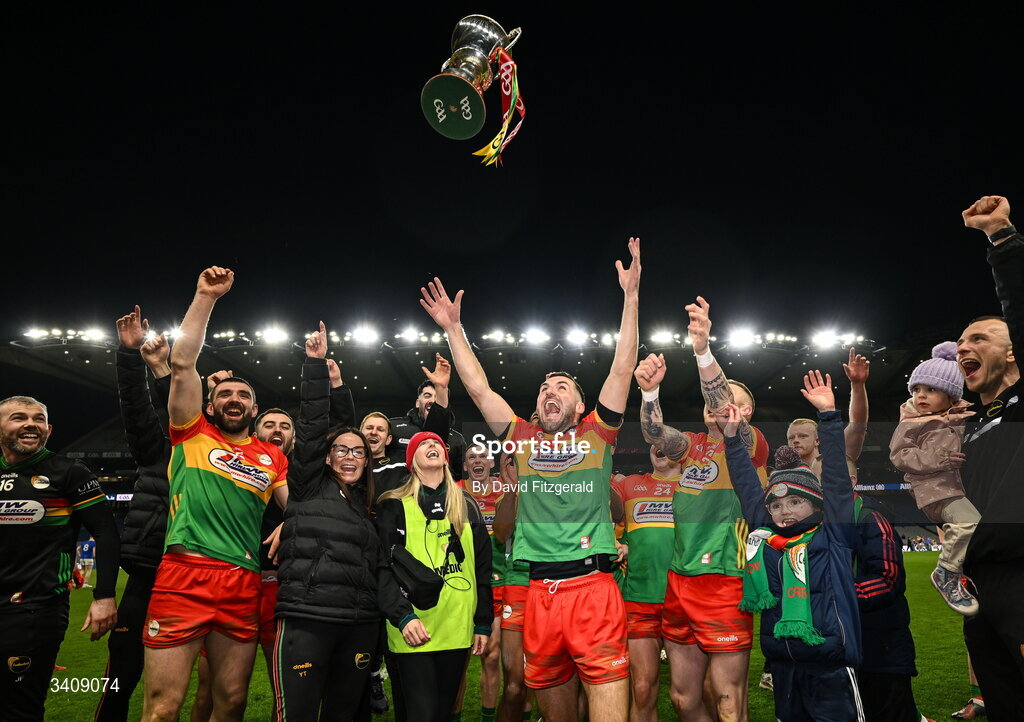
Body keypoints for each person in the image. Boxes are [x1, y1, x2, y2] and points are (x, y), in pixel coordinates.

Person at [420, 238, 640, 722]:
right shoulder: (520, 436)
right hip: (538, 594)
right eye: (544, 387)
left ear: (579, 405)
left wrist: (631, 296)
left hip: (594, 589)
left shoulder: (598, 434)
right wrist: (454, 329)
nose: (548, 390)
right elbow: (478, 387)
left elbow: (623, 364)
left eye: (561, 386)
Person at [141, 267, 289, 722]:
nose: (234, 399)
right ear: (209, 402)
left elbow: (299, 508)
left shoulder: (272, 457)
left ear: (254, 407)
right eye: (225, 393)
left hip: (243, 579)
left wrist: (289, 522)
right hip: (184, 573)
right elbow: (183, 363)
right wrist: (205, 297)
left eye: (243, 395)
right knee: (163, 707)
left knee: (232, 701)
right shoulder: (189, 431)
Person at [272, 322, 426, 721]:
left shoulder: (370, 502)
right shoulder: (307, 485)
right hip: (310, 619)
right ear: (326, 456)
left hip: (359, 622)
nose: (349, 456)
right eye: (340, 449)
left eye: (358, 451)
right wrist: (316, 368)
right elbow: (310, 428)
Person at [635, 296, 770, 722]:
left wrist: (702, 350)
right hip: (679, 579)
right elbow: (654, 431)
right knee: (683, 699)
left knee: (727, 698)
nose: (718, 403)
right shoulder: (691, 447)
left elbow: (719, 401)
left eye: (731, 397)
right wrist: (650, 391)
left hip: (726, 580)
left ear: (745, 411)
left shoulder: (750, 446)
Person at [725, 371, 863, 722]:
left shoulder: (832, 533)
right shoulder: (768, 538)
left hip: (831, 663)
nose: (784, 512)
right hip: (784, 663)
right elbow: (745, 484)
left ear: (816, 506)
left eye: (795, 503)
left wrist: (829, 417)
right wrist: (730, 439)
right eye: (776, 505)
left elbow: (834, 475)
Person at [0, 395, 120, 721]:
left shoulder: (69, 473)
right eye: (18, 417)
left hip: (34, 610)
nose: (30, 424)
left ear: (49, 429)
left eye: (38, 419)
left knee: (18, 708)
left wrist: (104, 596)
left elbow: (107, 534)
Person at [957, 195, 1024, 719]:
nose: (963, 348)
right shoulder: (975, 425)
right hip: (982, 589)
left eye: (979, 338)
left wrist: (1002, 240)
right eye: (960, 342)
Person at [376, 432, 493, 722]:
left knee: (442, 713)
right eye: (423, 444)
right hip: (413, 626)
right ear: (411, 462)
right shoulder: (392, 504)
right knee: (421, 714)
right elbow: (381, 569)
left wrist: (482, 621)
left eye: (437, 443)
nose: (432, 445)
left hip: (456, 624)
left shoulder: (466, 504)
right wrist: (403, 617)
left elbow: (482, 569)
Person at [95, 308, 173, 722]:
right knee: (119, 680)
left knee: (182, 689)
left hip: (196, 578)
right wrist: (131, 358)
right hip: (146, 573)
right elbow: (138, 408)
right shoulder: (155, 449)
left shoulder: (225, 462)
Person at [889, 341, 980, 615]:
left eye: (930, 389)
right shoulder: (913, 421)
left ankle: (961, 572)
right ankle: (946, 571)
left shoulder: (958, 416)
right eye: (916, 389)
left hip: (955, 487)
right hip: (935, 490)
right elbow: (900, 455)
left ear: (952, 395)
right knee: (969, 521)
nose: (920, 396)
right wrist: (939, 459)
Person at [610, 446, 679, 722]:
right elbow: (614, 522)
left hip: (685, 600)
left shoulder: (697, 486)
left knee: (691, 693)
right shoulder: (630, 485)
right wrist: (621, 546)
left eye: (669, 441)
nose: (660, 446)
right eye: (655, 441)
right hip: (639, 598)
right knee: (642, 688)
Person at [460, 445, 504, 722]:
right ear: (465, 466)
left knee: (491, 655)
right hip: (461, 584)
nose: (478, 461)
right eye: (472, 457)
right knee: (458, 663)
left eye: (483, 456)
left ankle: (488, 718)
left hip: (495, 580)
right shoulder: (455, 491)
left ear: (491, 463)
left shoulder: (506, 491)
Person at [787, 347, 871, 481]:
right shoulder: (784, 474)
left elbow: (858, 428)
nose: (795, 440)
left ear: (817, 440)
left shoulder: (836, 458)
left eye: (802, 436)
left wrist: (857, 385)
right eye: (791, 438)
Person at [492, 450, 533, 722]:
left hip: (561, 583)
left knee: (564, 681)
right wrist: (512, 490)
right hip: (519, 584)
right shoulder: (509, 496)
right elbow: (501, 533)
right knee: (514, 687)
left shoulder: (568, 485)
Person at [388, 368, 467, 477]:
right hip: (401, 492)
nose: (432, 401)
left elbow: (463, 477)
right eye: (427, 396)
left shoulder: (457, 440)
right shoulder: (393, 427)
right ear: (417, 402)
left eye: (437, 397)